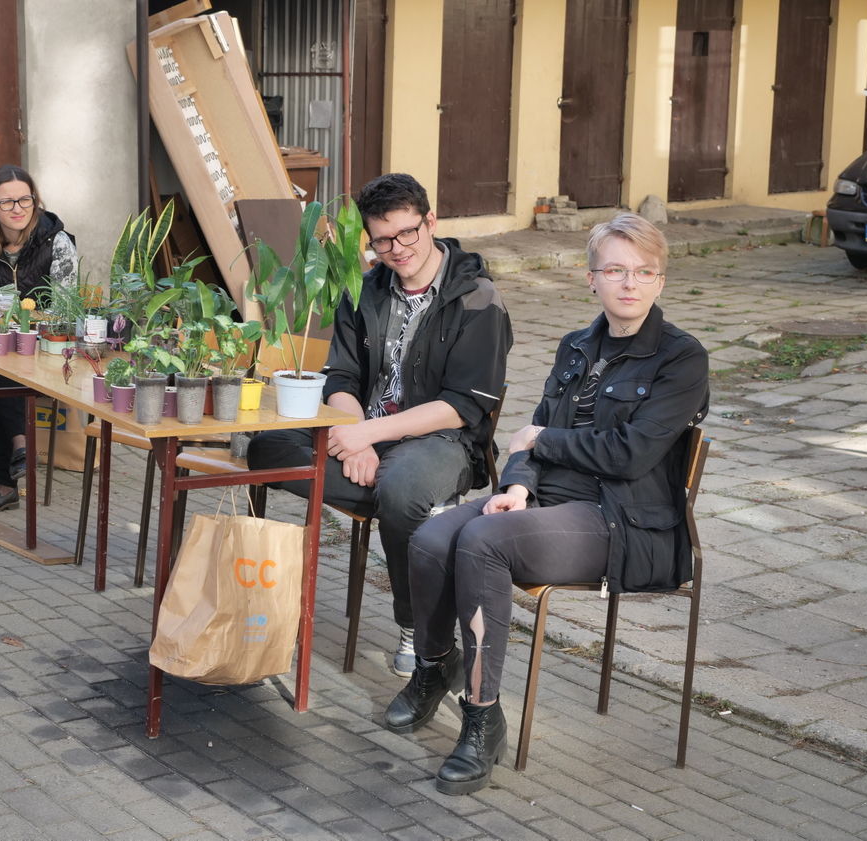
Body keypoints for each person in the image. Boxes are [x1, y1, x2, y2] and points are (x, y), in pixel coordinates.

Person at [383, 213, 709, 796]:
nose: (629, 283)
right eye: (615, 270)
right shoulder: (576, 346)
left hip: (622, 522)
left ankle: (482, 717)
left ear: (660, 280)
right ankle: (434, 668)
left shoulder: (681, 358)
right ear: (591, 278)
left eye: (644, 272)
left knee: (482, 542)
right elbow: (529, 436)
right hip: (550, 502)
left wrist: (544, 442)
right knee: (430, 539)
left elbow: (629, 453)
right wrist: (517, 487)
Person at [247, 173, 513, 676]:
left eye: (407, 233)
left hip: (442, 440)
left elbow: (462, 406)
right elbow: (341, 376)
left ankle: (420, 627)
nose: (397, 249)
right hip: (363, 432)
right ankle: (418, 514)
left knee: (403, 487)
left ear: (430, 221)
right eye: (382, 240)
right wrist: (356, 443)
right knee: (267, 449)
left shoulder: (478, 298)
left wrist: (365, 436)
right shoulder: (365, 290)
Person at [0, 164, 77, 513]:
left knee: (2, 368)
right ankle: (19, 449)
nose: (17, 209)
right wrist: (1, 328)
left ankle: (6, 477)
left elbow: (65, 308)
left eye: (25, 200)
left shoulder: (56, 243)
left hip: (49, 346)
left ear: (35, 200)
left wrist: (25, 327)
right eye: (7, 202)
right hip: (3, 348)